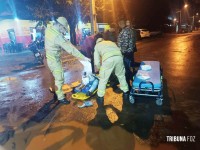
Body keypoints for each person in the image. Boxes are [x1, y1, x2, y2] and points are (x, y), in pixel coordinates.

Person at [45, 16, 90, 104]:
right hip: (54, 60)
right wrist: (83, 57)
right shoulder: (57, 36)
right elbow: (70, 49)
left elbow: (66, 42)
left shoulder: (49, 29)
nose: (64, 31)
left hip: (47, 58)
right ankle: (61, 98)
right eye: (64, 29)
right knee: (59, 78)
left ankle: (55, 93)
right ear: (60, 26)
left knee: (53, 77)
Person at [93, 33, 130, 110]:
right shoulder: (110, 42)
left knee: (103, 80)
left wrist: (101, 70)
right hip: (119, 58)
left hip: (108, 60)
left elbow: (96, 62)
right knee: (121, 76)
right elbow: (119, 51)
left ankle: (100, 100)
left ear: (96, 41)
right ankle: (126, 94)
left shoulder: (97, 46)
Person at [117, 19, 134, 90]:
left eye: (119, 24)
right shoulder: (130, 30)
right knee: (129, 68)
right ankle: (133, 79)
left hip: (126, 53)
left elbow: (125, 43)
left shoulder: (124, 31)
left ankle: (129, 85)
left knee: (126, 70)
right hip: (130, 52)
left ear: (121, 24)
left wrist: (122, 52)